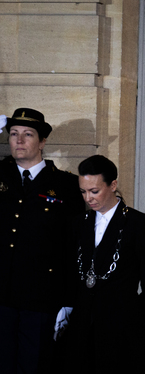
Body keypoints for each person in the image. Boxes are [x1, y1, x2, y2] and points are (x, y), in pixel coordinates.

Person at [0, 108, 86, 374]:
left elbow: (74, 246)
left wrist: (70, 299)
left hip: (41, 298)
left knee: (33, 366)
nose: (19, 140)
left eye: (28, 134)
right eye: (13, 134)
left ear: (43, 142)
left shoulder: (66, 186)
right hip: (0, 294)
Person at [63, 155, 145, 374]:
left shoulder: (138, 223)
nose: (88, 198)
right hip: (82, 328)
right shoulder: (79, 223)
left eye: (94, 191)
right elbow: (72, 271)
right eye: (83, 191)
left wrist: (137, 323)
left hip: (122, 330)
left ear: (113, 185)